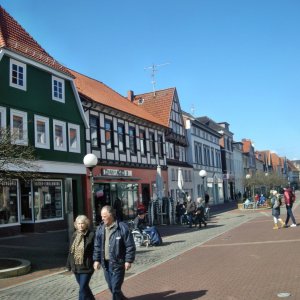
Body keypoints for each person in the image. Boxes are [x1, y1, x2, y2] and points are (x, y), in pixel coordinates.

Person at [93, 205, 136, 300]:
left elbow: (130, 245)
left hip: (118, 263)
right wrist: (96, 260)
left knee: (115, 288)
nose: (102, 218)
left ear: (111, 215)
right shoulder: (100, 229)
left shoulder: (122, 227)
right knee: (111, 287)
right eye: (101, 216)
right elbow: (97, 246)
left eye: (104, 216)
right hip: (106, 264)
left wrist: (128, 261)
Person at [66, 215, 95, 300]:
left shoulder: (91, 235)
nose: (80, 225)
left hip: (86, 267)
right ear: (76, 225)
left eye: (82, 223)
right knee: (85, 288)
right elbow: (71, 252)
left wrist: (96, 261)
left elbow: (96, 250)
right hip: (76, 267)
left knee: (82, 290)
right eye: (78, 223)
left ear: (86, 224)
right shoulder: (74, 235)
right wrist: (68, 265)